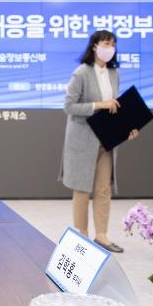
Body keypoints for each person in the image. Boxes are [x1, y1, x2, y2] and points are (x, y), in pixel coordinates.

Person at [58, 30, 138, 253]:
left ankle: (102, 236)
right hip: (83, 140)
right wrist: (98, 105)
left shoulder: (114, 73)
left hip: (106, 139)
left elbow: (115, 106)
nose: (109, 48)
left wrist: (128, 127)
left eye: (112, 44)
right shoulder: (81, 73)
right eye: (105, 43)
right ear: (94, 46)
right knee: (82, 189)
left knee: (103, 189)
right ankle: (81, 236)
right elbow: (69, 106)